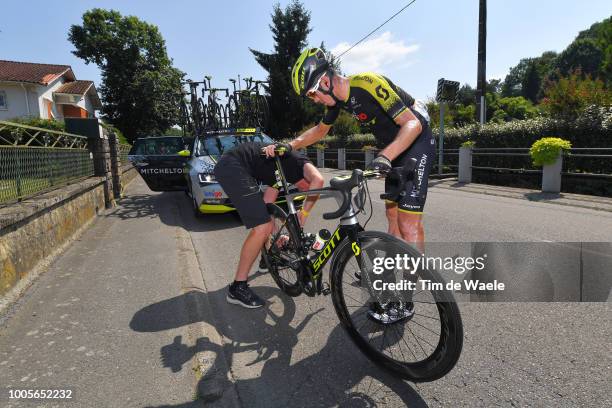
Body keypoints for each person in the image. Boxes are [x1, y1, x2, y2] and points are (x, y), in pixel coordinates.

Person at [265, 48, 434, 251]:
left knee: (408, 223)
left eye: (312, 94)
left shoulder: (367, 83)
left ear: (325, 83)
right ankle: (389, 272)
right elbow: (320, 130)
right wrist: (291, 145)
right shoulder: (337, 103)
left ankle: (413, 279)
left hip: (416, 138)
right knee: (392, 216)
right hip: (395, 149)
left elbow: (413, 124)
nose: (314, 100)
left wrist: (384, 156)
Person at [214, 141, 324, 308]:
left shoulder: (282, 173)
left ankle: (267, 260)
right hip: (232, 166)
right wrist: (304, 213)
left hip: (237, 166)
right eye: (306, 190)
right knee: (262, 227)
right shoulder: (299, 161)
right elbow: (319, 180)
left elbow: (268, 205)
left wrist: (274, 238)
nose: (304, 191)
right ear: (306, 179)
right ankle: (237, 287)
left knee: (265, 223)